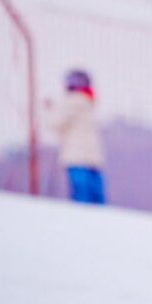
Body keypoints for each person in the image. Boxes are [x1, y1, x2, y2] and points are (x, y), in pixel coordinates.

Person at [43, 69, 106, 205]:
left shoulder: (72, 102)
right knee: (96, 199)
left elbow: (54, 124)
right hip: (93, 159)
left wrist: (49, 110)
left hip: (76, 157)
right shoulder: (89, 103)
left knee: (81, 198)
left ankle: (81, 224)